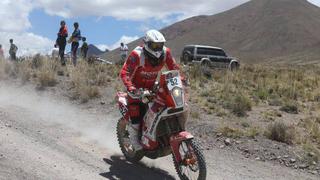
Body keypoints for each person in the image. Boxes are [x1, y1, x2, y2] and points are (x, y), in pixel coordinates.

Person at [120, 29, 182, 151]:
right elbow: (125, 72)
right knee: (136, 113)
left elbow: (174, 68)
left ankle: (160, 134)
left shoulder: (166, 53)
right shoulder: (137, 55)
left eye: (160, 45)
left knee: (165, 105)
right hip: (136, 89)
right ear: (147, 44)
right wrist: (131, 88)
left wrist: (182, 79)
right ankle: (134, 139)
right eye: (155, 45)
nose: (158, 48)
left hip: (152, 87)